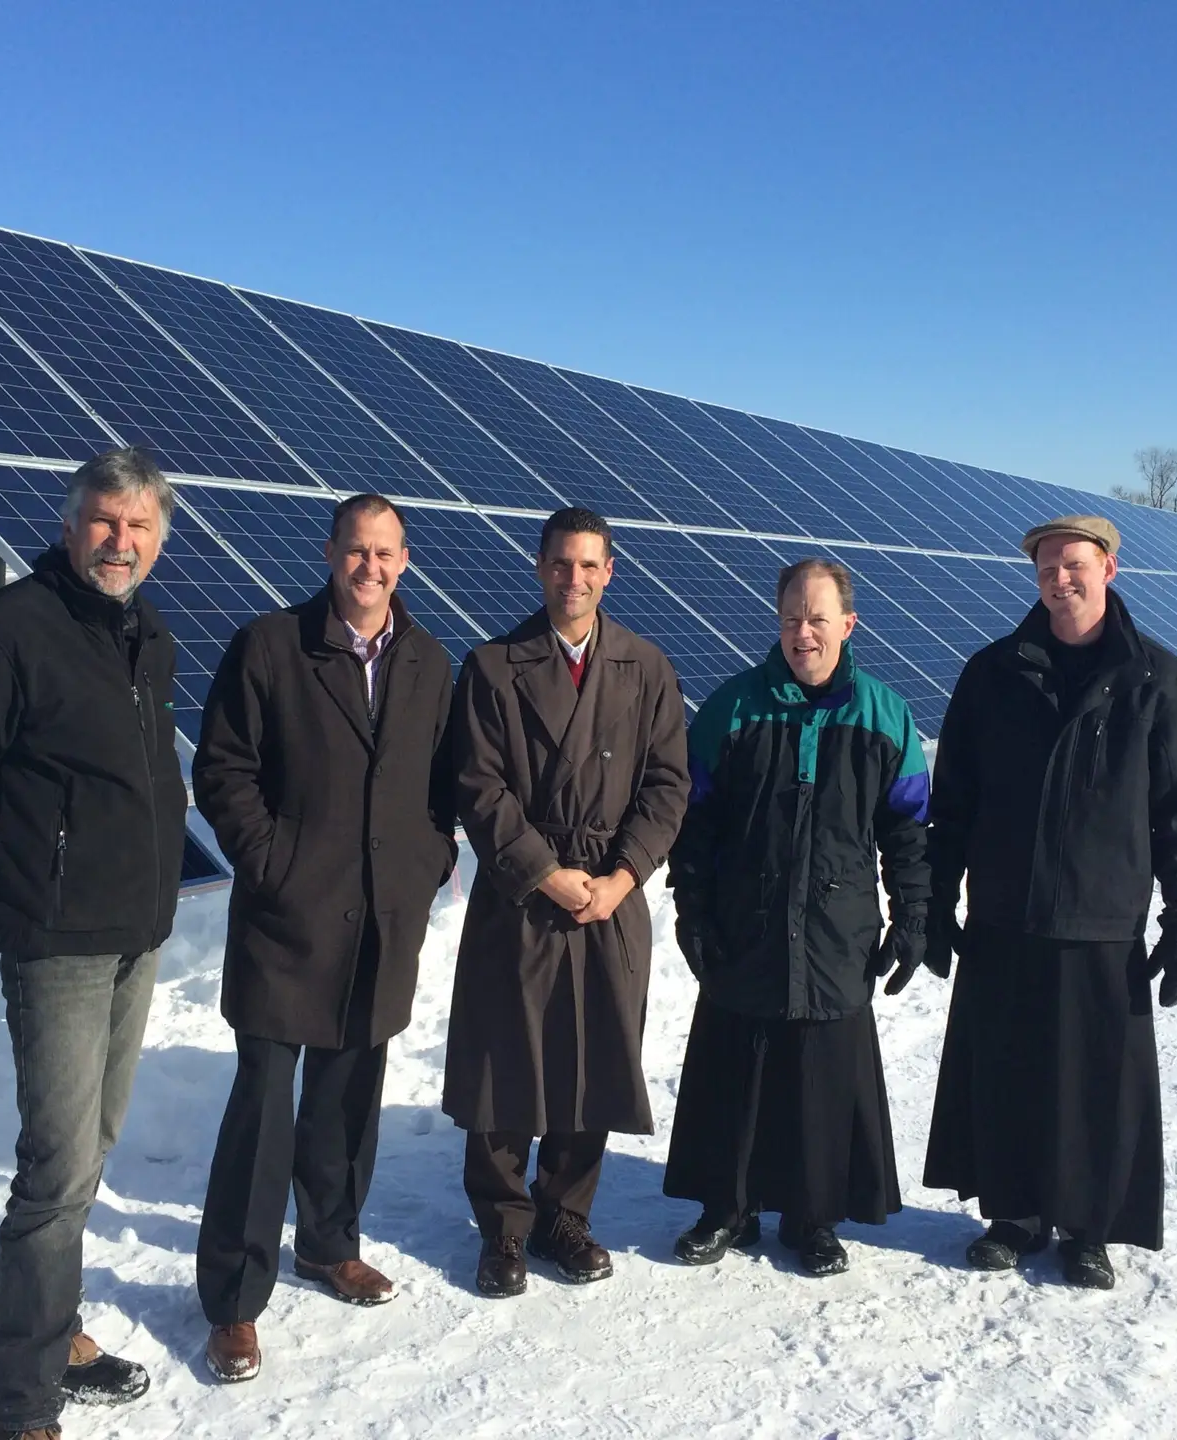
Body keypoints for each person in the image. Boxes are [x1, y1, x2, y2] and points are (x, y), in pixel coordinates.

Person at [0, 447, 188, 1440]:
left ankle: (50, 1328)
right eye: (104, 522)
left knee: (89, 1157)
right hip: (57, 945)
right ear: (69, 529)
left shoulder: (147, 636)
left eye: (139, 526)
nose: (121, 541)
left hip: (133, 935)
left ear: (160, 537)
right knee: (54, 1175)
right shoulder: (7, 635)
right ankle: (22, 1405)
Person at [189, 494, 456, 1383]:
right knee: (262, 1113)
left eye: (385, 553)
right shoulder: (271, 645)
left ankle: (330, 1243)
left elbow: (442, 783)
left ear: (405, 561)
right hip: (286, 920)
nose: (369, 567)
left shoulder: (426, 661)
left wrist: (426, 859)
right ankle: (233, 1300)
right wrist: (273, 863)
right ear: (331, 553)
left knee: (349, 1100)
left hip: (382, 918)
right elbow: (222, 769)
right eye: (355, 551)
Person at [920, 515, 1177, 1290]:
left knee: (1096, 1082)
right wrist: (933, 904)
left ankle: (1089, 1226)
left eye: (1075, 566)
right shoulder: (992, 675)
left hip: (1101, 918)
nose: (1061, 581)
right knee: (1009, 1069)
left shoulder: (1160, 680)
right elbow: (952, 803)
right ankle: (1014, 1213)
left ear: (1109, 569)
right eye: (1048, 569)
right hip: (1004, 914)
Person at [442, 506, 689, 1297]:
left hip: (610, 894)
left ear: (609, 572)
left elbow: (666, 784)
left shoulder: (645, 666)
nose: (574, 580)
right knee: (506, 1062)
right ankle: (503, 1229)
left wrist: (622, 878)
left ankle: (564, 1217)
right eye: (560, 565)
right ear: (539, 567)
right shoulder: (492, 666)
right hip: (525, 890)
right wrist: (545, 874)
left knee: (594, 1062)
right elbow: (478, 787)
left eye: (589, 566)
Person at [664, 558, 931, 1277]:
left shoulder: (883, 714)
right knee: (737, 1066)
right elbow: (694, 823)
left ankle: (813, 1218)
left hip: (837, 929)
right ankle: (727, 1207)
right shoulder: (733, 709)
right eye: (789, 618)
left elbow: (908, 827)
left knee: (821, 1076)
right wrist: (692, 912)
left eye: (816, 618)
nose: (802, 633)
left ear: (847, 623)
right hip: (743, 922)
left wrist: (913, 914)